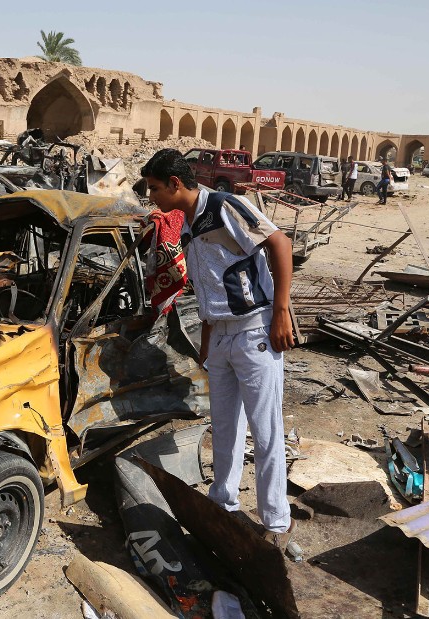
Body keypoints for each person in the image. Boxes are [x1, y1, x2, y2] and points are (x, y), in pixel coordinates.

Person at [140, 148, 297, 555]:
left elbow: (279, 244)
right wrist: (208, 341)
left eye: (155, 188)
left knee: (265, 433)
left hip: (254, 332)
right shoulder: (189, 226)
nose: (151, 196)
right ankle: (223, 503)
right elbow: (210, 283)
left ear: (175, 184)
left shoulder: (226, 206)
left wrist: (281, 312)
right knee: (225, 428)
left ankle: (276, 521)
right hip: (221, 338)